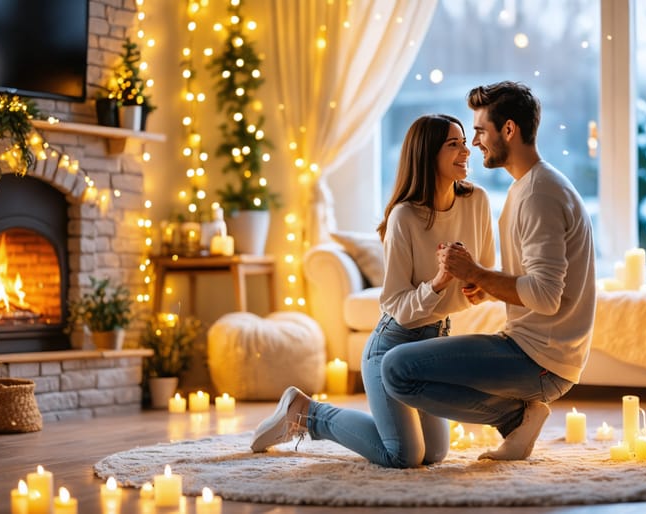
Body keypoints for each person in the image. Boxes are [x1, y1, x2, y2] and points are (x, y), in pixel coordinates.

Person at [250, 114, 496, 468]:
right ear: (428, 154)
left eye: (463, 142)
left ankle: (316, 415)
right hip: (392, 346)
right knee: (403, 455)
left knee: (436, 453)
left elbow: (484, 273)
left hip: (432, 347)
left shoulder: (478, 201)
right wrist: (441, 281)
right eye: (453, 144)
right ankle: (306, 413)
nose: (465, 151)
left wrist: (476, 285)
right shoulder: (405, 217)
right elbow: (396, 305)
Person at [380, 81, 597, 461]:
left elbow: (546, 297)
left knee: (397, 368)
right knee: (399, 369)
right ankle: (517, 418)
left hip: (539, 360)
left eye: (479, 131)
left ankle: (516, 418)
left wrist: (477, 273)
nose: (474, 143)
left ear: (508, 130)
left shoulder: (538, 196)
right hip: (540, 353)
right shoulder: (527, 189)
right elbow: (533, 284)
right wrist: (486, 287)